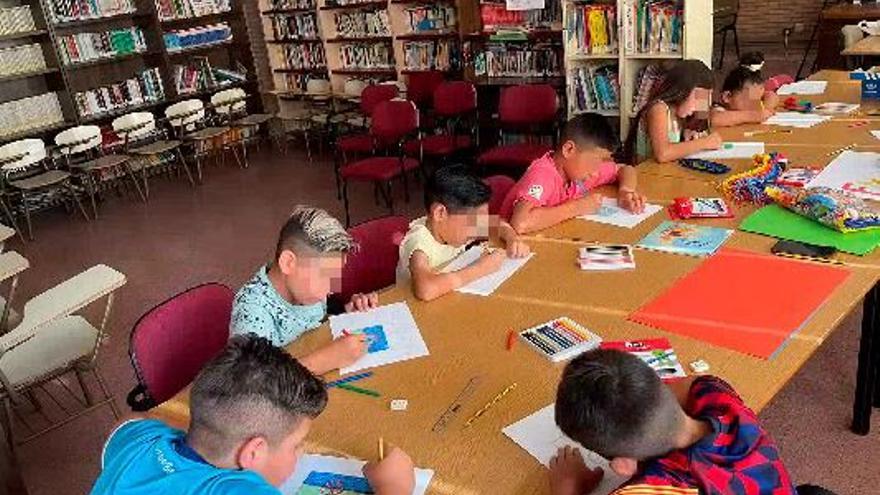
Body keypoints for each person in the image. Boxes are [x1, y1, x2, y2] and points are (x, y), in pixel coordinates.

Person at [91, 335, 415, 494]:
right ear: (253, 452)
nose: (303, 453)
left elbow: (129, 422)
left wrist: (213, 425)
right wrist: (396, 491)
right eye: (297, 445)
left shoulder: (139, 445)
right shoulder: (235, 489)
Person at [549, 348, 813, 495]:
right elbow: (688, 384)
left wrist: (568, 490)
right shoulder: (720, 399)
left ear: (624, 465)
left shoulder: (651, 489)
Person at [231, 206, 377, 375]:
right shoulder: (251, 312)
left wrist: (345, 311)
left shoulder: (306, 290)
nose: (331, 289)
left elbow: (320, 317)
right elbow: (250, 383)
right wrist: (327, 359)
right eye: (325, 276)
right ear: (288, 263)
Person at [396, 165, 530, 301]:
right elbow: (426, 290)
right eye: (473, 221)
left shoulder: (455, 227)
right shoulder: (419, 242)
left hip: (448, 298)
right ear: (440, 213)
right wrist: (481, 269)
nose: (477, 227)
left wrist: (512, 238)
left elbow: (497, 224)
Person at [500, 113, 646, 235]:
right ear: (569, 150)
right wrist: (577, 208)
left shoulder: (579, 172)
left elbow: (625, 169)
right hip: (505, 248)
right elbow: (520, 223)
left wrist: (626, 191)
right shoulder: (543, 174)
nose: (596, 172)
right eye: (595, 163)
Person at [624, 60, 722, 164]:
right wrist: (703, 143)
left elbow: (703, 119)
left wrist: (687, 135)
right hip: (645, 175)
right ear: (682, 90)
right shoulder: (658, 109)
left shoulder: (679, 114)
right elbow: (663, 154)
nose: (700, 107)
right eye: (699, 98)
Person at [711, 52, 779, 127]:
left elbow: (771, 95)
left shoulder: (754, 102)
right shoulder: (720, 109)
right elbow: (714, 119)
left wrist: (767, 109)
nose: (756, 106)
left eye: (758, 99)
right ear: (727, 97)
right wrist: (755, 116)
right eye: (750, 102)